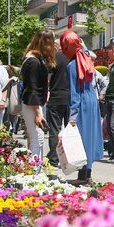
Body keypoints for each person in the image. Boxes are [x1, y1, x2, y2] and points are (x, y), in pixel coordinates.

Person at [61, 31, 104, 185]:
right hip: (92, 101)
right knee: (91, 137)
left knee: (82, 139)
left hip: (83, 103)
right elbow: (85, 50)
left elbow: (75, 93)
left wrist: (72, 116)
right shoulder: (86, 57)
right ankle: (88, 174)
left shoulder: (72, 65)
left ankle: (82, 176)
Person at [21, 30, 56, 162]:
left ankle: (35, 169)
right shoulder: (34, 62)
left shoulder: (31, 59)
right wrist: (37, 113)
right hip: (32, 105)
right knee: (37, 138)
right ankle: (34, 170)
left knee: (36, 137)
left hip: (31, 103)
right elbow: (33, 88)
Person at [46, 38, 71, 166]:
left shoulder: (53, 58)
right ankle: (69, 157)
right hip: (70, 98)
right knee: (70, 129)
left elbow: (48, 79)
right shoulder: (71, 58)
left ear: (56, 46)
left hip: (56, 97)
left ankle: (54, 159)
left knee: (54, 129)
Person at [2, 65, 21, 134]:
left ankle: (10, 130)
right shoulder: (15, 80)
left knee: (6, 119)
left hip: (7, 102)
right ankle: (12, 130)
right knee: (12, 118)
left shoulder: (9, 80)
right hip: (13, 102)